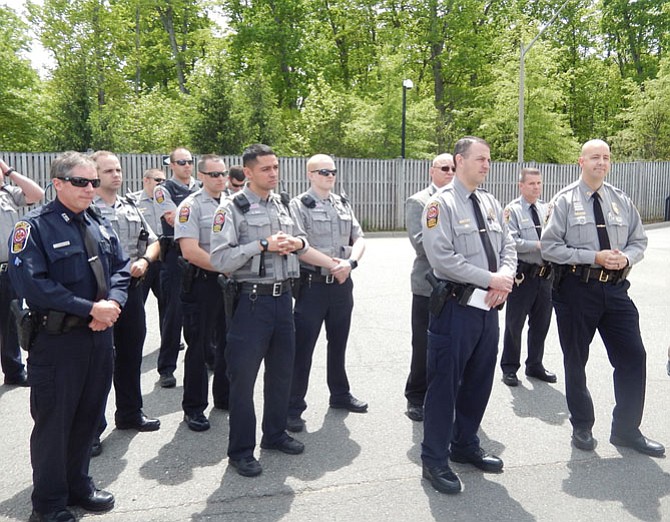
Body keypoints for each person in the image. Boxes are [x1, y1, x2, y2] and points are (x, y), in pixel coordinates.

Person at [9, 152, 130, 522]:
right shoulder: (34, 228)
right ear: (58, 183)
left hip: (98, 338)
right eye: (82, 182)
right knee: (54, 424)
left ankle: (79, 485)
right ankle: (47, 504)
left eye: (93, 182)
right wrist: (89, 309)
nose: (90, 188)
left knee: (88, 417)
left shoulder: (96, 220)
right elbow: (32, 284)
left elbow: (122, 268)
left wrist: (112, 302)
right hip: (58, 342)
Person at [210, 143, 338, 478]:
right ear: (248, 172)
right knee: (243, 380)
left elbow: (301, 244)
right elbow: (219, 260)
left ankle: (275, 433)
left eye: (276, 167)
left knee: (282, 373)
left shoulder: (283, 204)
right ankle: (240, 450)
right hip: (251, 302)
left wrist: (298, 245)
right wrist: (262, 245)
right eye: (266, 168)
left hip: (284, 301)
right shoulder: (232, 208)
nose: (273, 173)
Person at [541, 139, 664, 457]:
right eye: (595, 157)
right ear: (581, 162)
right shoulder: (565, 201)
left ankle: (626, 429)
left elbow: (639, 240)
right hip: (577, 290)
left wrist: (627, 259)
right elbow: (550, 247)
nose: (601, 162)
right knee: (576, 359)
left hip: (616, 290)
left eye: (606, 157)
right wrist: (592, 256)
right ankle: (582, 425)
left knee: (633, 356)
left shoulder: (620, 200)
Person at [420, 136, 516, 495]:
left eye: (489, 160)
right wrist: (490, 278)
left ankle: (464, 445)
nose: (486, 165)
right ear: (459, 161)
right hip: (455, 310)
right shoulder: (438, 205)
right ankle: (434, 459)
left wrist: (503, 279)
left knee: (479, 381)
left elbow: (509, 245)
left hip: (488, 309)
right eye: (480, 159)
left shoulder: (491, 202)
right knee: (444, 385)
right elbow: (442, 259)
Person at [286, 154, 367, 433]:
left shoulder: (342, 203)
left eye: (332, 171)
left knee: (339, 343)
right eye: (323, 171)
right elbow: (300, 246)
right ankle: (293, 406)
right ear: (310, 174)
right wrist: (335, 265)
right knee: (303, 348)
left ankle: (340, 394)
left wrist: (350, 263)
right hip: (313, 286)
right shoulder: (298, 205)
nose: (329, 175)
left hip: (342, 283)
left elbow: (360, 238)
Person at [91, 151, 161, 443]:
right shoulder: (86, 208)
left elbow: (154, 241)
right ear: (94, 175)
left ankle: (130, 413)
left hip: (131, 291)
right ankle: (92, 429)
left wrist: (145, 260)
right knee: (97, 363)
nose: (116, 174)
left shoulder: (131, 205)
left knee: (131, 355)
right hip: (100, 295)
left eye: (118, 169)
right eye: (108, 171)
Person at [174, 154, 230, 432]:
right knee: (198, 347)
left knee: (229, 342)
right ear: (202, 176)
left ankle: (224, 396)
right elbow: (190, 250)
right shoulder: (190, 206)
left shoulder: (233, 204)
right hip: (203, 283)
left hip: (230, 285)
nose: (220, 179)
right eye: (214, 175)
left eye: (223, 174)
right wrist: (227, 267)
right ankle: (194, 408)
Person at [404, 153, 455, 422]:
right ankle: (416, 396)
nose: (450, 172)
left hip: (458, 286)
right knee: (423, 344)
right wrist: (457, 248)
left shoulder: (460, 201)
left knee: (450, 344)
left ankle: (444, 395)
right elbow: (422, 244)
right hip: (428, 285)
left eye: (453, 168)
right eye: (444, 168)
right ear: (431, 171)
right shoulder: (420, 201)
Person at [500, 168, 556, 387]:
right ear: (520, 185)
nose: (536, 187)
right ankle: (510, 367)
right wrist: (539, 245)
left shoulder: (547, 209)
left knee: (541, 324)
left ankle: (535, 364)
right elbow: (510, 241)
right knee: (515, 324)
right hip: (523, 275)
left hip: (546, 276)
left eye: (539, 183)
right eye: (531, 183)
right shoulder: (512, 211)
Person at [153, 148, 199, 388]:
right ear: (171, 165)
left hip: (200, 253)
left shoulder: (201, 186)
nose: (187, 165)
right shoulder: (163, 189)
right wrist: (199, 214)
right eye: (181, 162)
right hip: (175, 254)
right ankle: (167, 368)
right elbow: (172, 218)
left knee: (203, 310)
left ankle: (207, 357)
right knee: (174, 312)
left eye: (190, 161)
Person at [0, 158, 44, 387]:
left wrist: (9, 171)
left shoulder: (8, 194)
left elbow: (36, 194)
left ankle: (14, 371)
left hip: (9, 270)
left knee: (10, 322)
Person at [131, 169, 166, 330]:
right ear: (146, 180)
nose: (161, 184)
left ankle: (167, 336)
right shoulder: (134, 202)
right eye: (158, 180)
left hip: (164, 258)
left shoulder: (167, 201)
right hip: (144, 259)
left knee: (166, 302)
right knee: (138, 303)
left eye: (164, 181)